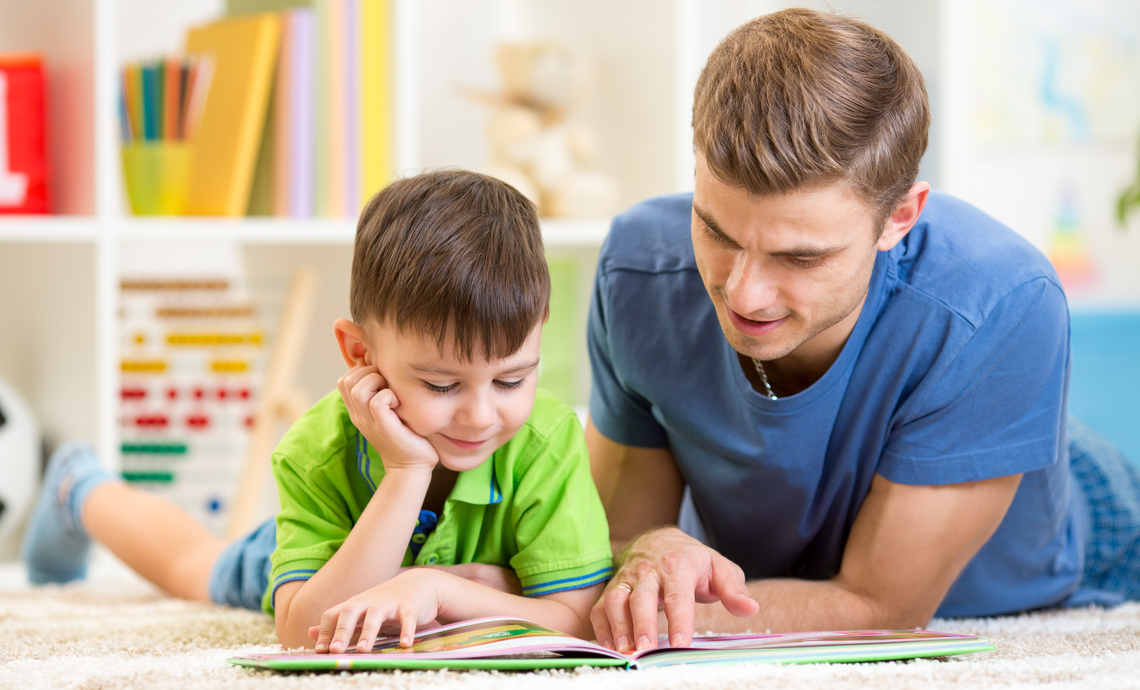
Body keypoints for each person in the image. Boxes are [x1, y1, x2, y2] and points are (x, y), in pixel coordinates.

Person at [585, 8, 1140, 653]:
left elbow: (880, 605)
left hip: (1079, 535)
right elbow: (619, 540)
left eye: (801, 257)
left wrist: (652, 613)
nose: (743, 292)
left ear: (898, 217)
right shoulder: (636, 272)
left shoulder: (1004, 299)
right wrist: (650, 548)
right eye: (716, 230)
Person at [22, 170, 614, 653]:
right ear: (361, 354)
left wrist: (437, 589)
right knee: (195, 568)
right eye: (440, 385)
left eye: (512, 378)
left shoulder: (548, 437)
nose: (482, 416)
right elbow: (301, 630)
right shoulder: (317, 450)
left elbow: (582, 621)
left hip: (419, 571)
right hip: (332, 555)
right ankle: (79, 486)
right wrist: (407, 475)